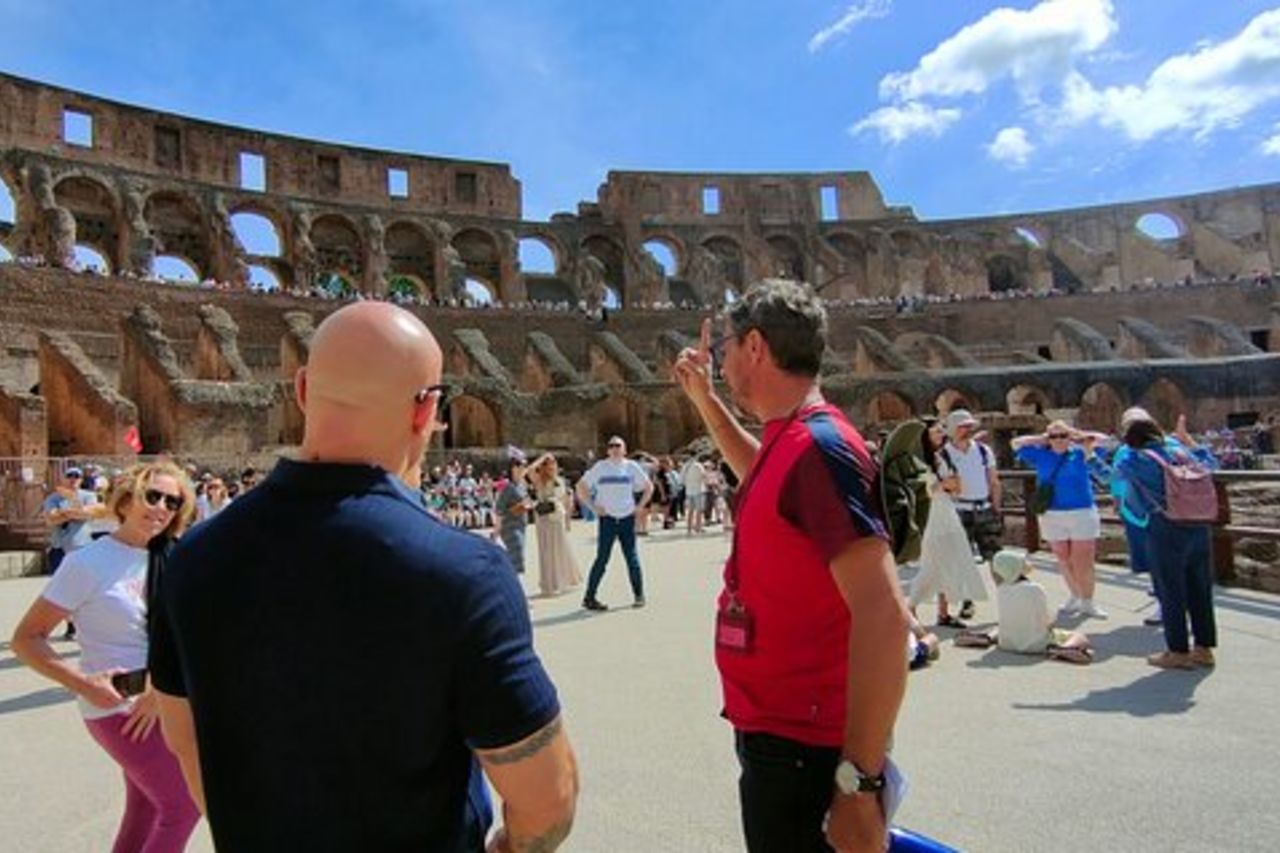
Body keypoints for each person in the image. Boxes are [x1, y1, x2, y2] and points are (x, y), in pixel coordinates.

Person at [149, 302, 578, 851]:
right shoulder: (463, 571)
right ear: (426, 410)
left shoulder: (193, 557)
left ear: (303, 389)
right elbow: (548, 798)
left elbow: (184, 741)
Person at [673, 279, 908, 853]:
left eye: (726, 347)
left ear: (755, 346)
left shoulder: (820, 448)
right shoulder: (792, 442)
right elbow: (767, 479)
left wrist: (858, 784)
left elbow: (884, 617)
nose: (720, 360)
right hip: (781, 734)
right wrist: (705, 399)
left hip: (808, 747)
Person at [12, 461, 202, 852]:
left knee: (146, 809)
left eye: (172, 502)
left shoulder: (174, 557)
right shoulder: (88, 563)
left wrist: (162, 688)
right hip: (119, 707)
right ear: (127, 499)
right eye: (153, 496)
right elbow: (27, 639)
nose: (162, 508)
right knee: (182, 806)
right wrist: (82, 683)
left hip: (165, 702)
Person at [1111, 411, 1219, 670]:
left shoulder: (1137, 459)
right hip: (1198, 524)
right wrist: (1188, 441)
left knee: (1170, 590)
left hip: (1166, 527)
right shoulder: (1181, 453)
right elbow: (1211, 463)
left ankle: (1178, 651)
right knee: (1200, 588)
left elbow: (1111, 477)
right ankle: (1204, 648)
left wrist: (1091, 455)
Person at [1012, 420, 1110, 619]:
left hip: (1081, 511)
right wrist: (1041, 438)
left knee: (1083, 560)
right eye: (1054, 436)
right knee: (1064, 558)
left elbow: (1106, 441)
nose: (1058, 440)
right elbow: (1015, 443)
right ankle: (1075, 594)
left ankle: (1088, 601)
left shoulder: (1080, 453)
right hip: (1052, 513)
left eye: (1062, 436)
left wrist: (1076, 434)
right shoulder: (1041, 454)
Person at [908, 418, 993, 628]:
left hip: (947, 510)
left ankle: (943, 613)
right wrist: (941, 485)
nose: (941, 434)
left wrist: (950, 485)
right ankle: (909, 609)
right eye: (936, 431)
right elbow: (918, 491)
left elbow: (954, 486)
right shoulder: (915, 460)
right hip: (931, 515)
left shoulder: (940, 457)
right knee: (932, 564)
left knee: (948, 561)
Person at [955, 549, 1093, 664]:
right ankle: (1064, 647)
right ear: (1018, 568)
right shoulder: (1036, 589)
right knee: (1079, 636)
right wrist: (1052, 623)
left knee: (999, 627)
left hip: (1006, 643)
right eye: (1023, 562)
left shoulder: (1002, 590)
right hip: (1038, 645)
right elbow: (1046, 620)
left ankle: (987, 637)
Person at [576, 436, 653, 610]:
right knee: (602, 559)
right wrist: (593, 507)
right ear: (607, 450)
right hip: (608, 519)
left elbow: (648, 487)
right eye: (611, 446)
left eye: (618, 446)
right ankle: (589, 597)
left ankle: (639, 595)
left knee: (632, 558)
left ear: (624, 450)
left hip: (627, 518)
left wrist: (639, 507)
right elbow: (581, 487)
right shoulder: (600, 467)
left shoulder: (631, 467)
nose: (615, 449)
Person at [939, 409, 1003, 619]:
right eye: (962, 427)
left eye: (969, 426)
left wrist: (996, 507)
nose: (967, 430)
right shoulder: (944, 455)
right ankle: (966, 600)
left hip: (983, 507)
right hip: (959, 509)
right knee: (961, 559)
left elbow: (993, 480)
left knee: (996, 557)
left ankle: (1006, 598)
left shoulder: (983, 451)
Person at [528, 454, 584, 597]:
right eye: (548, 463)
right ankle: (549, 583)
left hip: (556, 517)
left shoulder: (560, 481)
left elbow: (566, 501)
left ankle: (563, 581)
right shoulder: (539, 480)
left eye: (553, 463)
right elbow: (530, 470)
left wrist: (568, 521)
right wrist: (543, 457)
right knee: (545, 551)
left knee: (560, 549)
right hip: (543, 518)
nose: (551, 465)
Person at [42, 466, 98, 575]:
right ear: (63, 479)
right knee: (58, 581)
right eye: (69, 476)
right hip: (59, 547)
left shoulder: (89, 496)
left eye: (77, 476)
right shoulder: (53, 498)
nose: (73, 479)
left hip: (82, 546)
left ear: (81, 480)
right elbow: (51, 518)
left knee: (82, 579)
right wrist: (74, 513)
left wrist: (63, 511)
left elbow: (87, 514)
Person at [496, 447, 536, 574]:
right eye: (521, 466)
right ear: (513, 468)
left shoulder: (522, 485)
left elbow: (527, 499)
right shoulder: (508, 487)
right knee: (516, 557)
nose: (523, 469)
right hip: (510, 527)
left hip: (521, 524)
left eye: (524, 466)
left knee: (517, 557)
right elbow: (499, 509)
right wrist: (497, 530)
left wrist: (528, 504)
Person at [680, 455, 708, 534]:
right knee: (699, 510)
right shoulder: (699, 465)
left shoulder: (685, 467)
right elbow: (703, 476)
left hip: (689, 490)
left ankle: (689, 528)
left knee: (690, 510)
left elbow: (681, 479)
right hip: (699, 489)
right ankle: (698, 527)